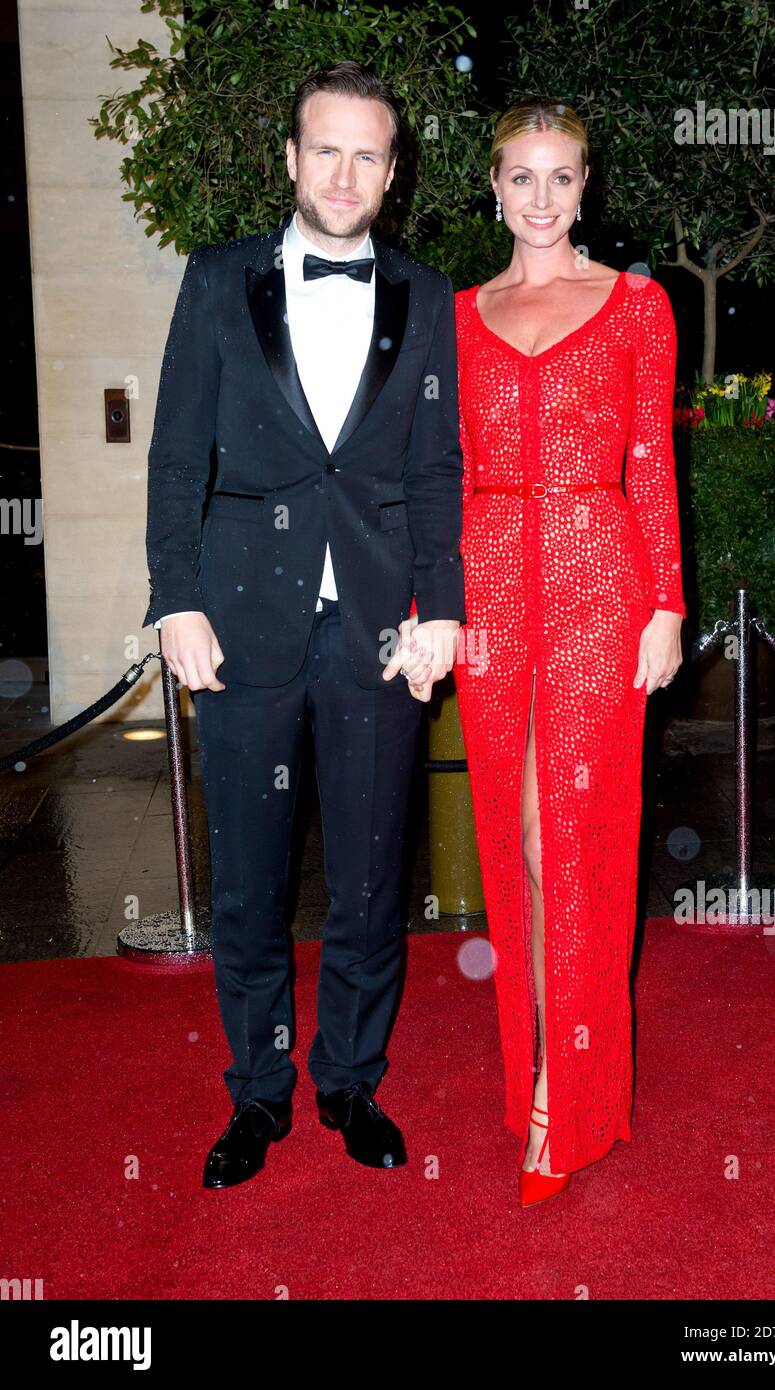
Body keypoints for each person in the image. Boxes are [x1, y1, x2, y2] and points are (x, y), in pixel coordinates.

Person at [143, 61, 464, 1189]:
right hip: (238, 624)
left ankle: (348, 1079)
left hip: (376, 630)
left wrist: (448, 611)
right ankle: (259, 1092)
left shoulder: (426, 299)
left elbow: (436, 473)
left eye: (367, 154)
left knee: (373, 876)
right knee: (249, 883)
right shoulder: (218, 279)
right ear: (289, 158)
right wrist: (172, 596)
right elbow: (179, 448)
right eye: (324, 149)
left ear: (391, 170)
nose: (344, 173)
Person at [452, 98, 686, 1207]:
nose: (538, 200)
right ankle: (544, 1065)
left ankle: (566, 1089)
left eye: (558, 177)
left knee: (571, 834)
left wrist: (668, 607)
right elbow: (435, 479)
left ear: (584, 183)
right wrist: (430, 605)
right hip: (491, 584)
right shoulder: (456, 316)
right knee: (516, 840)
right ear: (490, 185)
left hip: (602, 582)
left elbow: (652, 465)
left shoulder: (637, 307)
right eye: (518, 177)